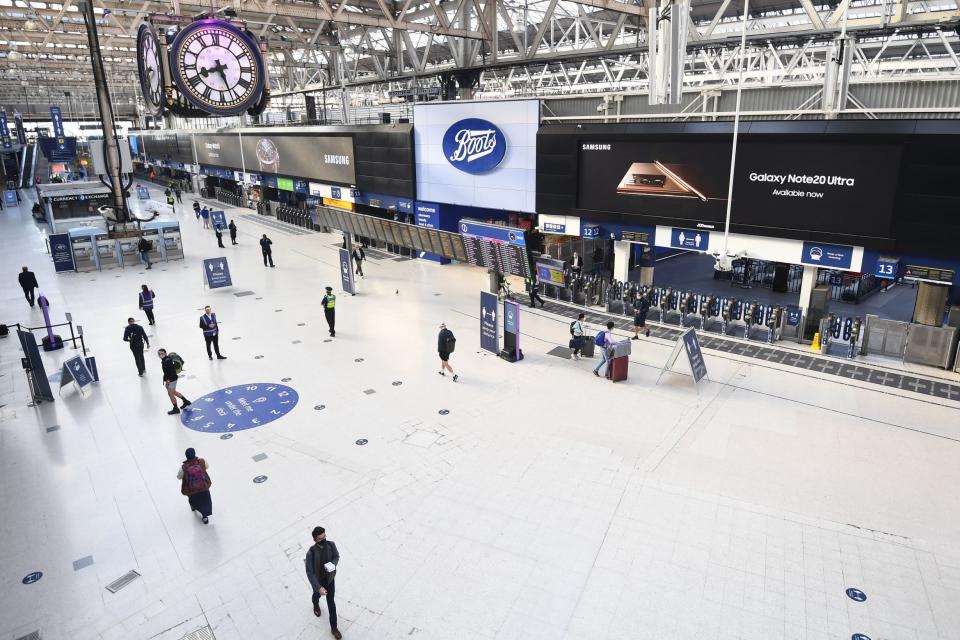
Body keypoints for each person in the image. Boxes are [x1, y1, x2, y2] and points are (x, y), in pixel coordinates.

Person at [304, 526, 342, 639]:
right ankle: (315, 604)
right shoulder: (310, 553)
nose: (324, 540)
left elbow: (336, 556)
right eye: (320, 538)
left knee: (331, 603)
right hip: (319, 582)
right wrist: (318, 587)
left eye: (324, 536)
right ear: (315, 540)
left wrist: (333, 564)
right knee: (316, 596)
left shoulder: (331, 545)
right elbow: (310, 572)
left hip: (330, 580)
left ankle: (334, 628)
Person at [178, 448, 212, 524]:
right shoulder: (201, 461)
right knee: (206, 502)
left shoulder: (183, 468)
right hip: (204, 487)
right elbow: (207, 466)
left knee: (193, 500)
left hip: (191, 490)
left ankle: (193, 507)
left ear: (186, 456)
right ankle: (205, 517)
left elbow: (179, 477)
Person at [157, 348, 191, 415]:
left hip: (171, 379)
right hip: (172, 378)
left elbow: (170, 371)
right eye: (159, 354)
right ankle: (186, 401)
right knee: (173, 392)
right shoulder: (167, 359)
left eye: (162, 353)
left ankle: (176, 409)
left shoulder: (167, 361)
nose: (160, 355)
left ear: (165, 353)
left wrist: (168, 380)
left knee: (170, 394)